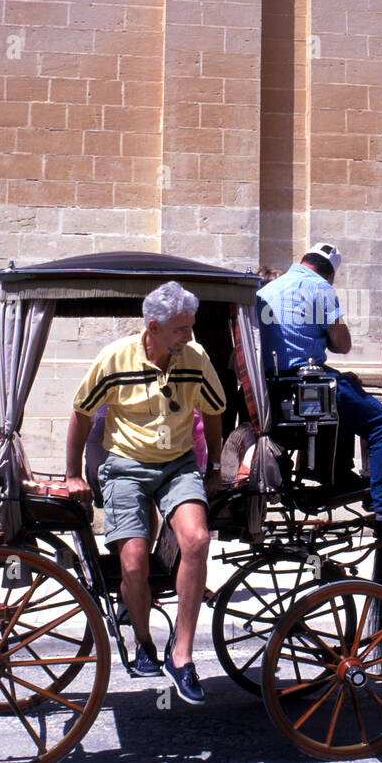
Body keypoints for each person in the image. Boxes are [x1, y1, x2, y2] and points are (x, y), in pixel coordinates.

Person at [63, 281, 224, 705]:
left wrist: (217, 469)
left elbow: (213, 411)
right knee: (132, 560)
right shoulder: (114, 359)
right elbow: (80, 415)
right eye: (180, 329)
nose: (188, 336)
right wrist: (73, 474)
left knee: (197, 540)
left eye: (191, 327)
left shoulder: (196, 358)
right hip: (125, 467)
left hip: (178, 465)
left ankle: (183, 656)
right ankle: (143, 641)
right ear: (152, 327)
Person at [257, 243, 382, 542]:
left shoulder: (268, 289)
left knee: (346, 384)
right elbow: (342, 344)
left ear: (302, 260)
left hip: (274, 384)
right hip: (306, 384)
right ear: (331, 274)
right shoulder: (320, 288)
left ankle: (340, 473)